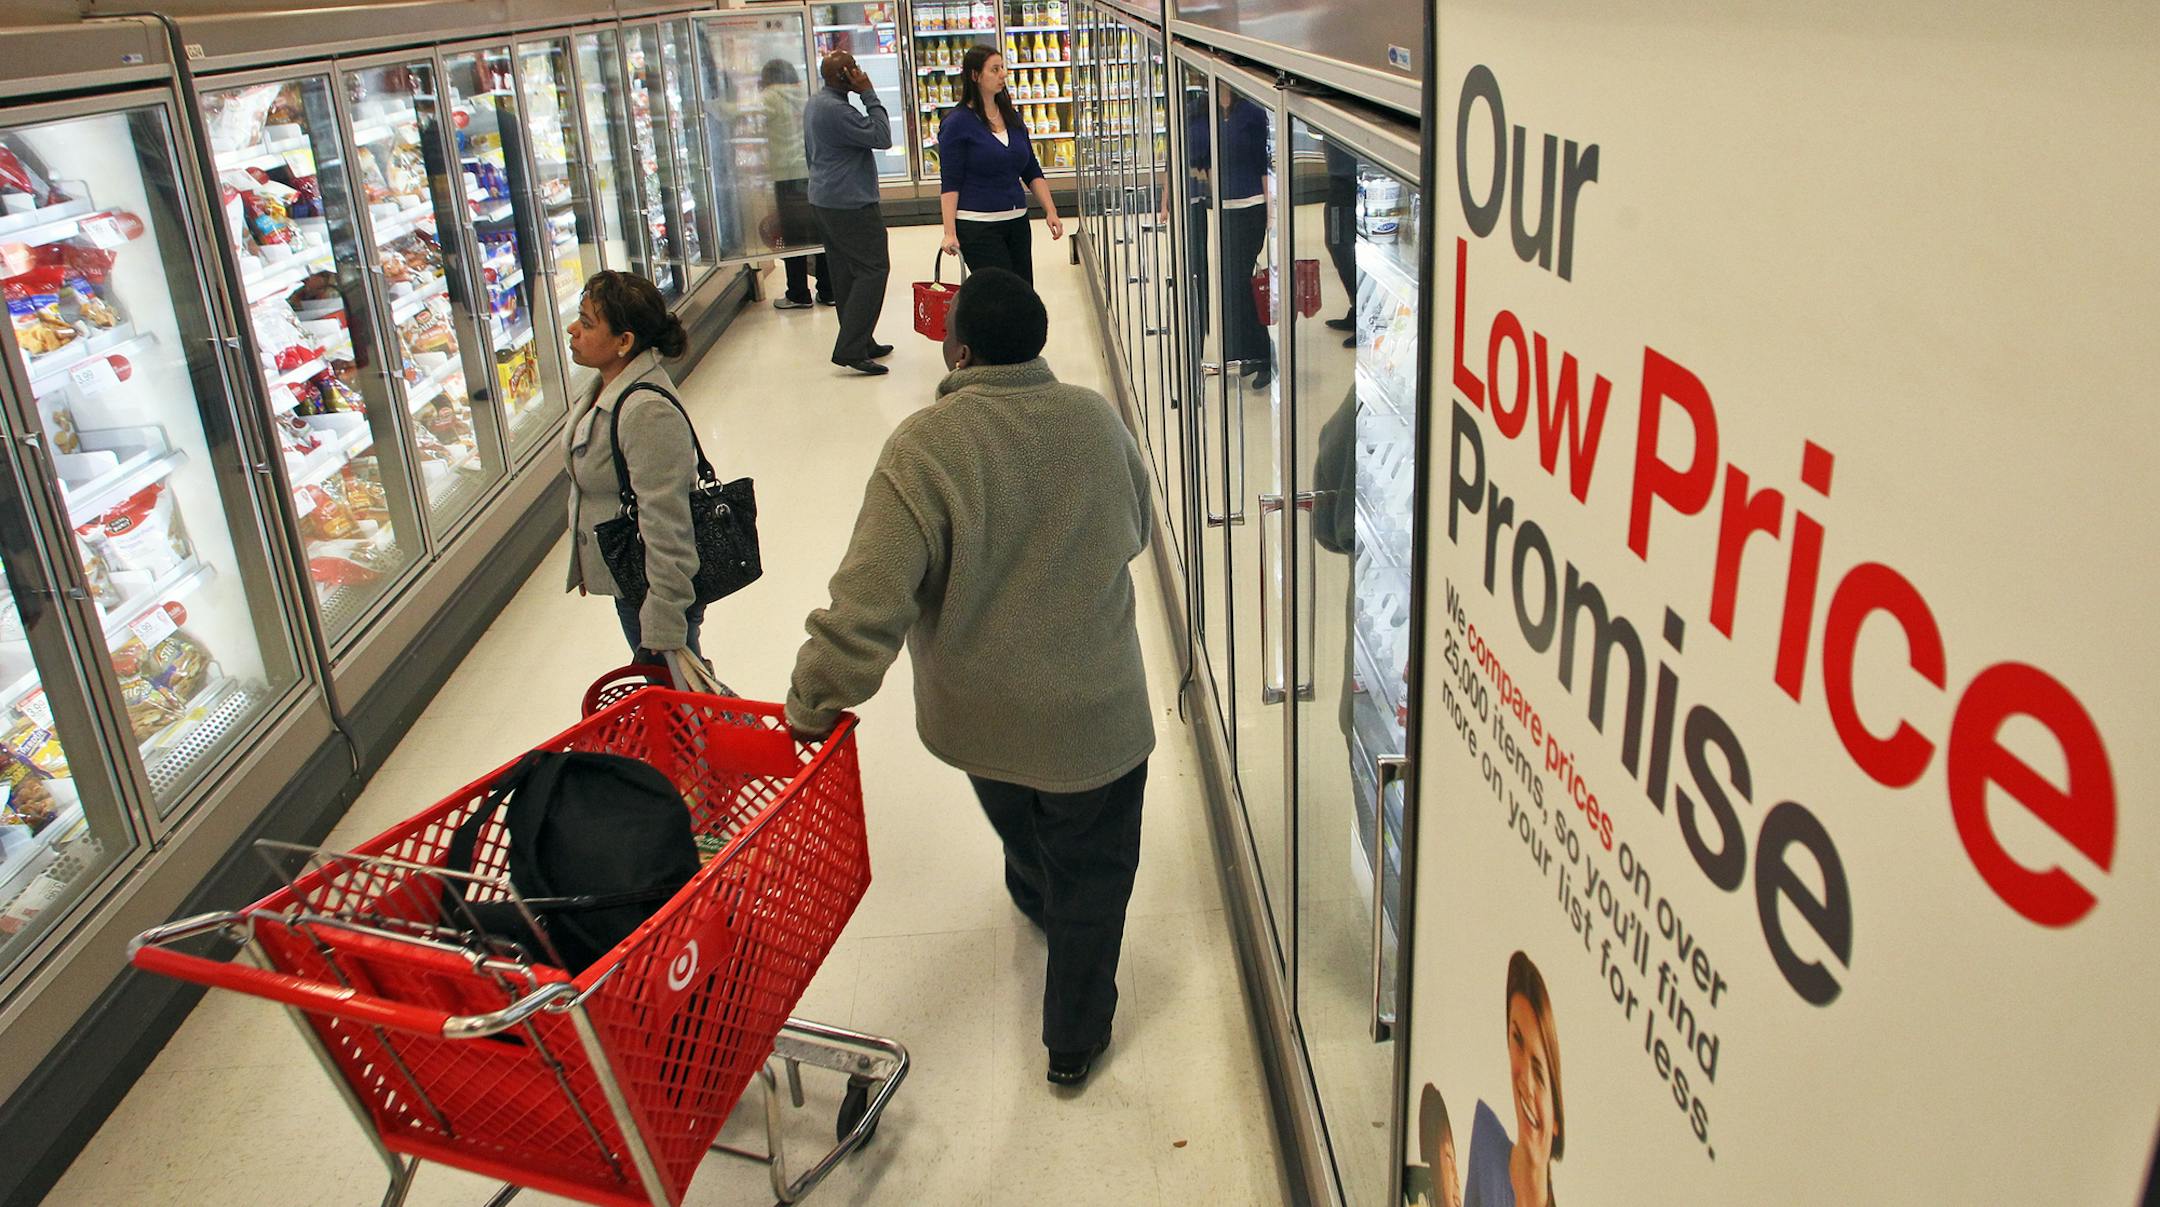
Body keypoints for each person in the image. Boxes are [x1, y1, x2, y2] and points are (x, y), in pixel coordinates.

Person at [783, 269, 1153, 1088]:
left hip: (980, 718)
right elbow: (1136, 529)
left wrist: (813, 700)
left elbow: (869, 598)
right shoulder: (1095, 420)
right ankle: (1072, 1041)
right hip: (1096, 718)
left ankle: (1035, 891)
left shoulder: (924, 447)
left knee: (1020, 811)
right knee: (1093, 875)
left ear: (958, 351)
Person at [562, 271, 703, 663]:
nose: (573, 330)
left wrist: (664, 617)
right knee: (680, 689)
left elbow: (667, 521)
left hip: (652, 590)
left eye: (587, 323)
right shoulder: (607, 388)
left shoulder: (646, 411)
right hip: (631, 578)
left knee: (681, 692)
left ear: (624, 342)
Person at [937, 44, 1063, 283]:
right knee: (1000, 294)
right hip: (977, 226)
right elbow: (950, 182)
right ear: (975, 75)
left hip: (1017, 222)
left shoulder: (1012, 117)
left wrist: (1051, 211)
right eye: (994, 69)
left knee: (1023, 292)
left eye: (1002, 68)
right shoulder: (957, 123)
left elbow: (1030, 168)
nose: (1003, 74)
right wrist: (949, 232)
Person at [803, 50, 895, 375]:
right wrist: (868, 93)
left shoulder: (816, 103)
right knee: (874, 269)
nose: (860, 71)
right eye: (854, 68)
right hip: (851, 202)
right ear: (844, 76)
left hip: (825, 198)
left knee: (845, 272)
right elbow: (883, 137)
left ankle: (859, 339)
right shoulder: (838, 111)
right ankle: (851, 347)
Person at [1465, 952, 1566, 1207]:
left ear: (1557, 1120)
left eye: (1540, 1074)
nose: (1526, 1084)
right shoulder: (1485, 1135)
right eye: (1517, 1040)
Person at [1192, 87, 1275, 389]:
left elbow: (1262, 164)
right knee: (1231, 282)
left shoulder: (1252, 114)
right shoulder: (1200, 112)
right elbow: (1197, 159)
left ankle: (1263, 354)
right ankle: (1243, 353)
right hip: (1222, 209)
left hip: (1251, 207)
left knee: (1239, 281)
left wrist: (1271, 210)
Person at [755, 58, 831, 310]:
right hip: (813, 170)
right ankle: (828, 289)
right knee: (819, 230)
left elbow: (740, 111)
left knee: (793, 235)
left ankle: (798, 293)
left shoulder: (770, 96)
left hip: (786, 175)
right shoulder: (809, 94)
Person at [1322, 140, 1360, 347]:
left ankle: (1363, 313)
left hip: (1350, 179)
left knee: (1341, 246)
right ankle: (1357, 308)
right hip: (1340, 179)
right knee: (1337, 245)